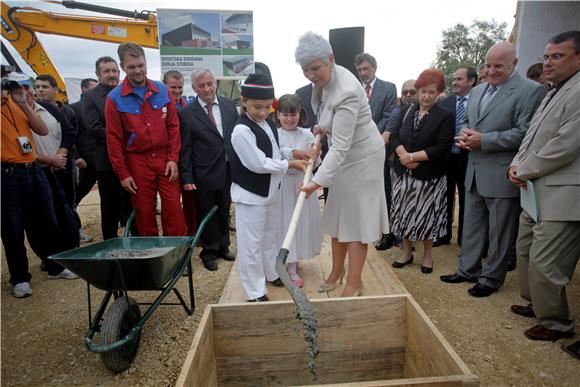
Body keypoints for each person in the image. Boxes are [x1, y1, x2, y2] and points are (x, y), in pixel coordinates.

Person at [440, 42, 547, 297]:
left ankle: (491, 278)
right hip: (473, 171)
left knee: (500, 233)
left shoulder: (531, 91)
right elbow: (467, 120)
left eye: (498, 66)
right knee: (472, 227)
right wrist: (465, 134)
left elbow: (525, 133)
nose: (491, 70)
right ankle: (467, 270)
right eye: (487, 65)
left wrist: (483, 140)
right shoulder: (477, 92)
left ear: (514, 64)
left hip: (501, 173)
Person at [296, 32, 389, 297]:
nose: (311, 75)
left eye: (315, 68)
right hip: (342, 159)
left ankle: (355, 282)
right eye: (305, 70)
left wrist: (315, 182)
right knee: (338, 218)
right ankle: (337, 272)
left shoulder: (348, 90)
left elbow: (342, 146)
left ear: (330, 59)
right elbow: (327, 114)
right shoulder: (325, 78)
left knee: (356, 225)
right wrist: (320, 130)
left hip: (362, 158)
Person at [508, 30, 580, 342]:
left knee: (545, 261)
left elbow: (565, 145)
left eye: (557, 56)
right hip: (534, 188)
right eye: (546, 56)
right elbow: (533, 135)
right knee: (524, 250)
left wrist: (523, 168)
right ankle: (537, 304)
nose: (548, 63)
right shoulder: (553, 90)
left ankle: (556, 322)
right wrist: (517, 163)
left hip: (562, 194)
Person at [226, 73, 307, 302]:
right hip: (251, 196)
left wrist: (294, 152)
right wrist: (289, 163)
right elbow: (258, 163)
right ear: (243, 102)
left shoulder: (267, 123)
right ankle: (254, 291)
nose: (262, 112)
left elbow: (275, 150)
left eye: (267, 107)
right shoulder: (241, 130)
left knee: (270, 238)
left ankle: (272, 273)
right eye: (256, 107)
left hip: (271, 192)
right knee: (251, 244)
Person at [1, 78, 76, 297]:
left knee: (46, 221)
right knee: (12, 228)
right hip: (6, 173)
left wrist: (23, 103)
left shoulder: (19, 104)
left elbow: (42, 130)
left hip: (33, 169)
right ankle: (20, 278)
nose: (16, 90)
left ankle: (54, 266)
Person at [105, 43, 187, 237]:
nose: (137, 70)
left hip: (164, 157)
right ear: (122, 66)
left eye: (141, 65)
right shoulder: (114, 98)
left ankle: (176, 257)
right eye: (132, 67)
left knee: (174, 208)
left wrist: (173, 158)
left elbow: (174, 127)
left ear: (145, 62)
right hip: (137, 161)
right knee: (144, 212)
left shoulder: (162, 90)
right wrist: (123, 173)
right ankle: (152, 259)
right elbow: (113, 138)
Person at [389, 70, 453, 274]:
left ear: (439, 93)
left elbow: (443, 146)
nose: (426, 96)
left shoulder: (445, 116)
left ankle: (427, 255)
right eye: (423, 91)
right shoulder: (407, 111)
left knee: (427, 216)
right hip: (404, 173)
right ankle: (407, 253)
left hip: (430, 176)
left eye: (431, 92)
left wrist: (413, 157)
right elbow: (395, 137)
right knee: (403, 214)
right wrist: (404, 157)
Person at [179, 68, 239, 271]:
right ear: (194, 87)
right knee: (207, 213)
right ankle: (209, 252)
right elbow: (185, 148)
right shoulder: (187, 114)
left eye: (210, 83)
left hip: (228, 169)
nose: (207, 88)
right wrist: (186, 176)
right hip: (203, 172)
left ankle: (224, 247)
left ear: (215, 83)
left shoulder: (230, 106)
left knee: (224, 209)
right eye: (202, 85)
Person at [274, 94, 323, 288]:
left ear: (299, 114)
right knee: (283, 224)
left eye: (292, 114)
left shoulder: (307, 135)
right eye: (284, 114)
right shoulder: (275, 134)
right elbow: (279, 154)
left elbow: (315, 161)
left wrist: (315, 153)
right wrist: (296, 157)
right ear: (278, 115)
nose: (289, 118)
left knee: (298, 225)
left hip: (303, 186)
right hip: (283, 185)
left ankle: (293, 266)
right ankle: (278, 261)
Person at [354, 52, 398, 252]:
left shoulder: (388, 88)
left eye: (366, 68)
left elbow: (389, 116)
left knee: (382, 190)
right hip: (356, 150)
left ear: (374, 68)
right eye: (360, 70)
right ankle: (363, 230)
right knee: (360, 192)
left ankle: (386, 233)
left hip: (378, 147)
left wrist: (371, 135)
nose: (363, 73)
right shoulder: (353, 90)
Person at [436, 67, 477, 246]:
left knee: (466, 199)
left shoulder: (479, 100)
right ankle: (444, 234)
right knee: (445, 197)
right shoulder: (445, 102)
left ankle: (463, 237)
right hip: (446, 158)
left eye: (459, 79)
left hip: (468, 158)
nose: (455, 82)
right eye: (454, 79)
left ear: (471, 81)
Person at [69, 77, 98, 243]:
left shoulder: (101, 106)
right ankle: (73, 221)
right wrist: (77, 156)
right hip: (86, 160)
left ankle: (123, 220)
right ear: (84, 90)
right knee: (79, 191)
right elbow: (70, 135)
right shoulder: (72, 109)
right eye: (93, 89)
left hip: (103, 159)